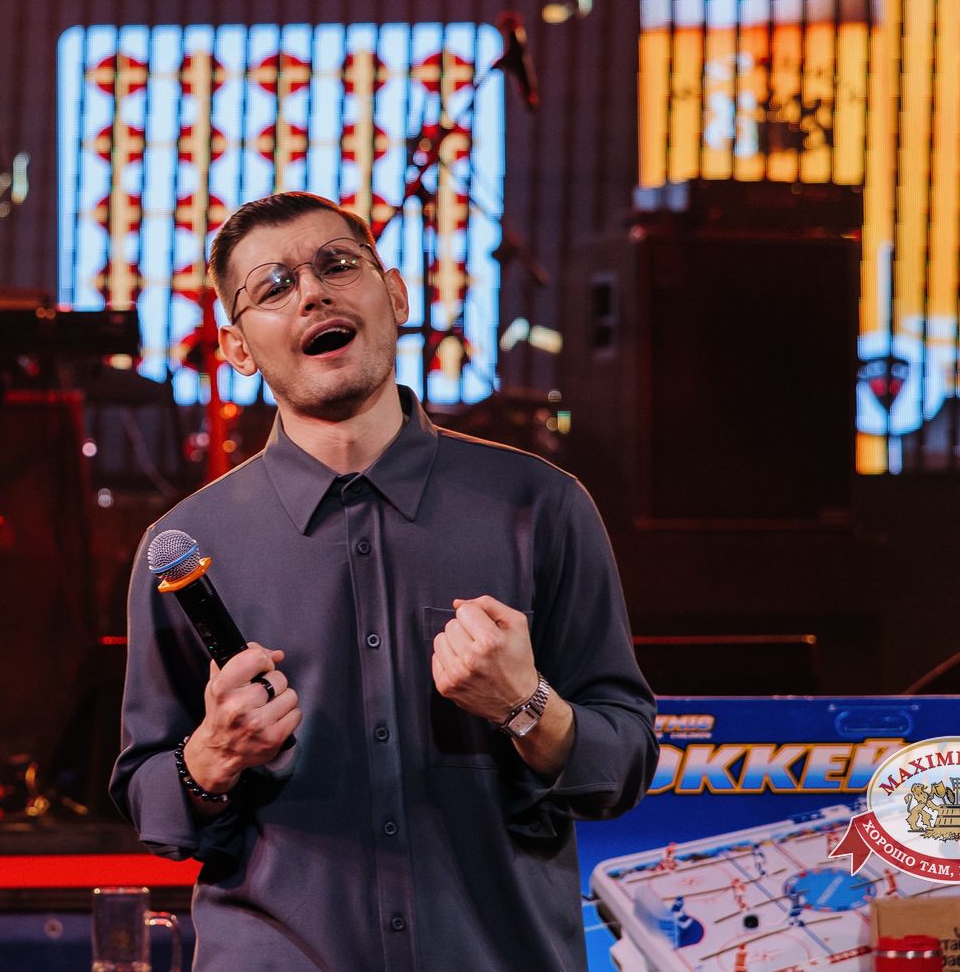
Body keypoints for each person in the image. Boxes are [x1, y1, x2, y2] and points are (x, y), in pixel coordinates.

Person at [111, 191, 656, 970]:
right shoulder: (191, 546)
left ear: (395, 296)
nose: (312, 292)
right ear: (236, 348)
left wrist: (526, 706)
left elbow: (624, 763)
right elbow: (151, 801)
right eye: (274, 286)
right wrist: (209, 758)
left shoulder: (540, 507)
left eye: (337, 264)